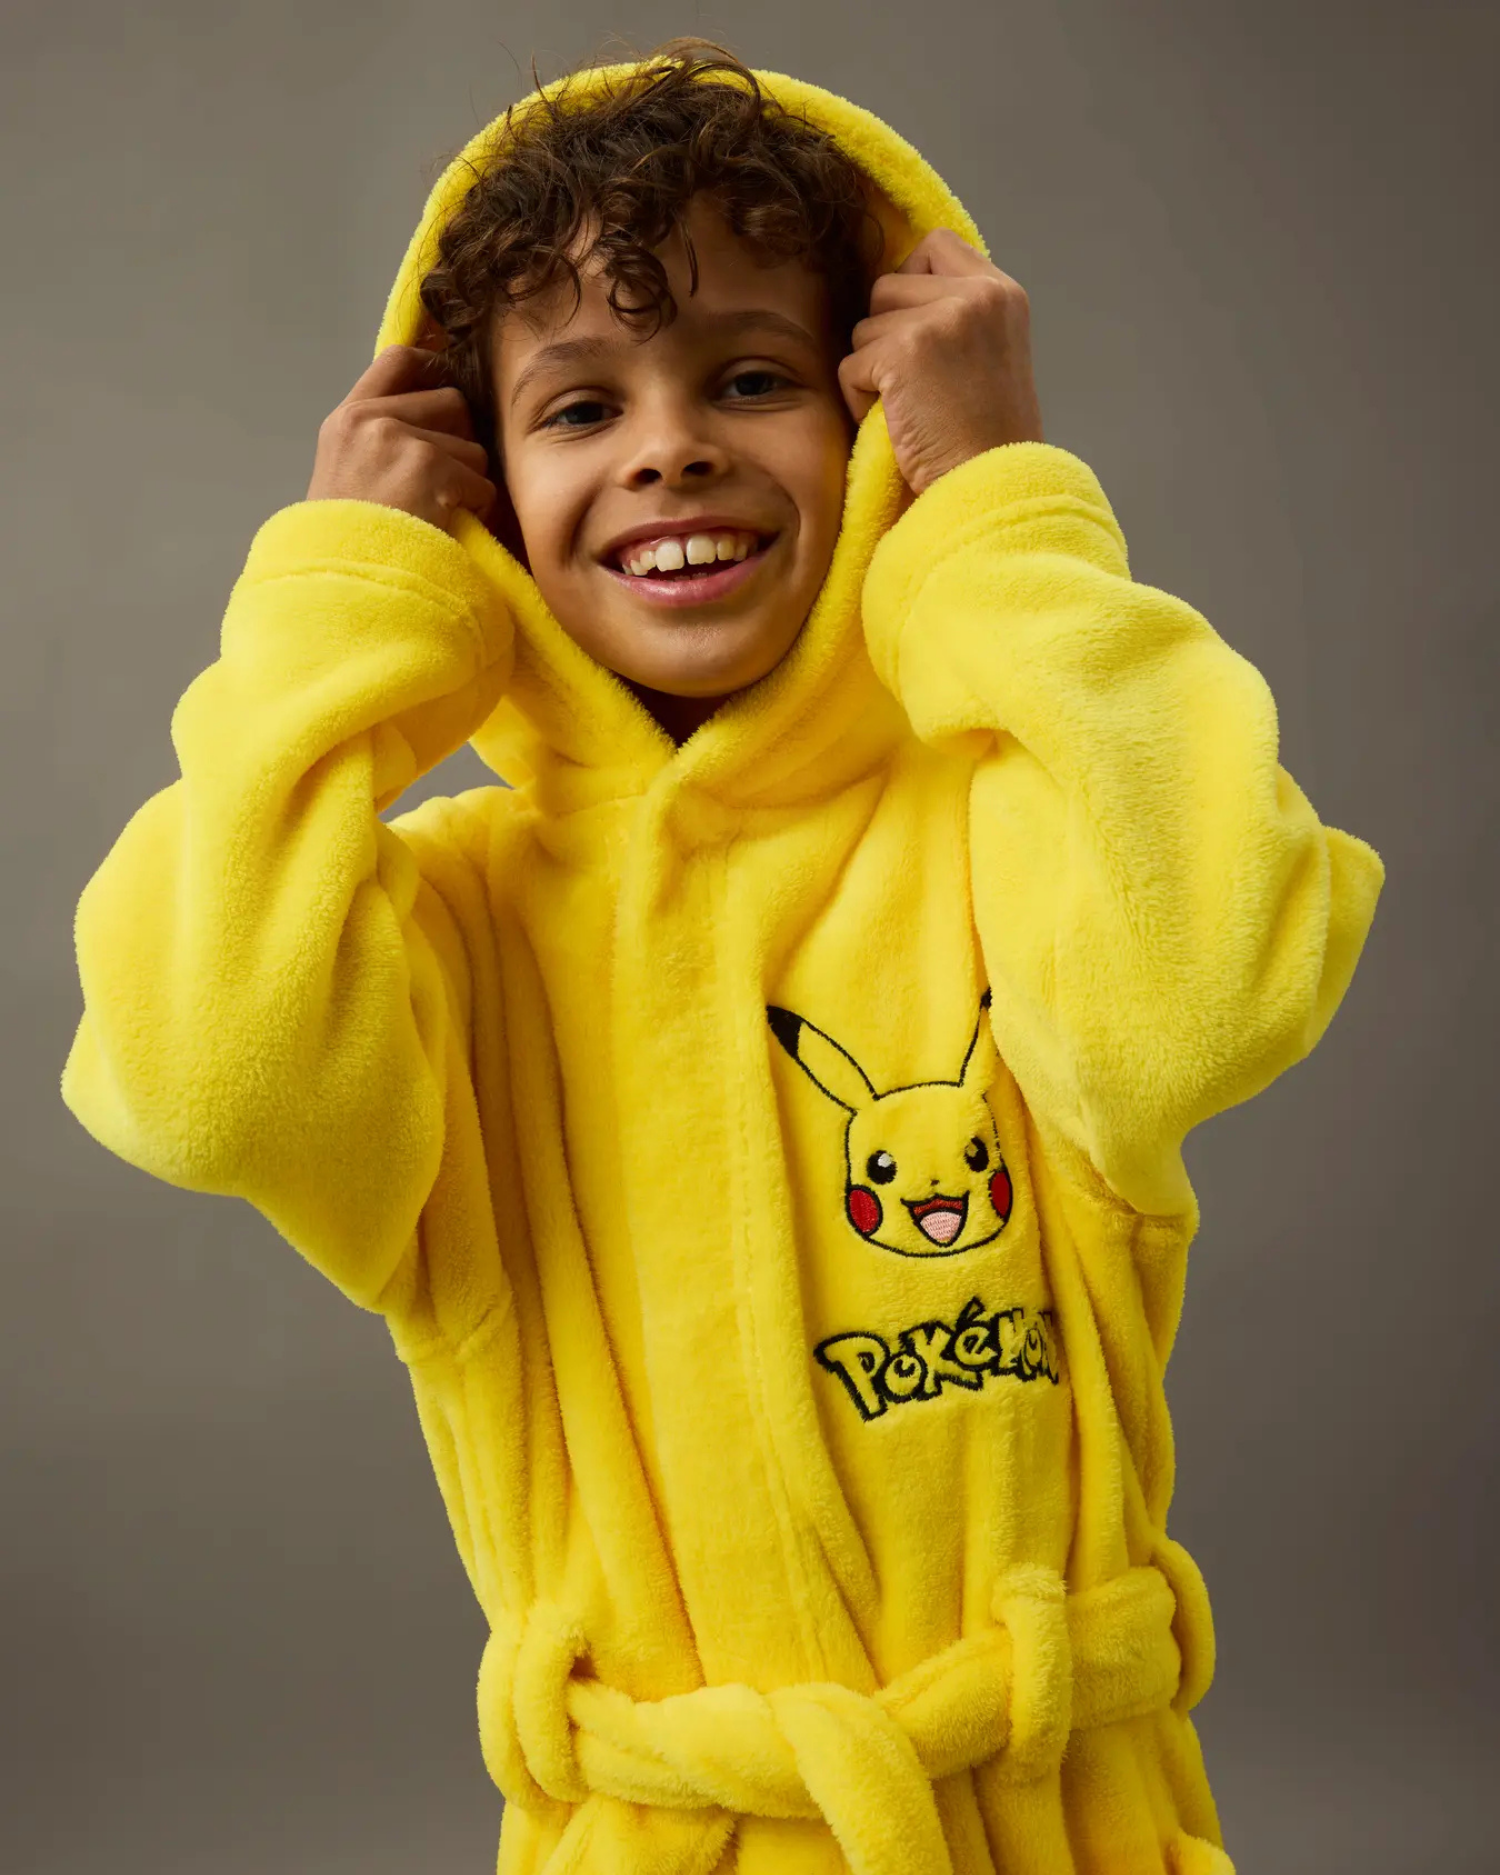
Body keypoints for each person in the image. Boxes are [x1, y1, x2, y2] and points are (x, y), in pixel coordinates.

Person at [60, 40, 1384, 1875]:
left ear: (872, 424)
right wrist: (340, 601)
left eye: (751, 378)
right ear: (483, 492)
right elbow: (210, 1072)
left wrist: (1002, 501)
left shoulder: (1009, 826)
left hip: (1057, 1828)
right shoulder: (442, 921)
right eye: (578, 406)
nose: (670, 444)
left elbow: (1212, 980)